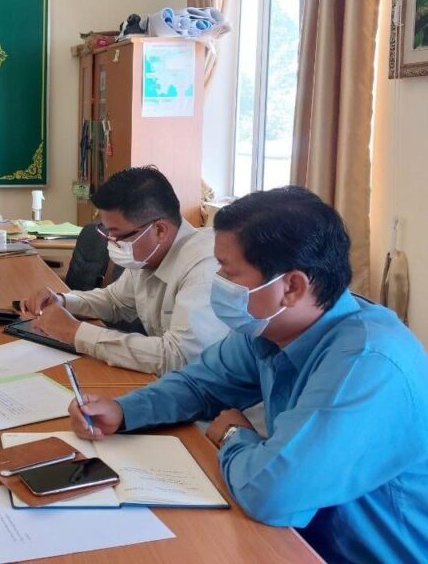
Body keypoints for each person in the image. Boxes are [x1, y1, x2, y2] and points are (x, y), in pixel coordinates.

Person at [67, 187, 428, 563]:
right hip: (295, 538)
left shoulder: (367, 365)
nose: (218, 280)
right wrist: (124, 411)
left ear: (291, 287)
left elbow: (270, 492)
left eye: (229, 271)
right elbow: (198, 384)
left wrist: (234, 437)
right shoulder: (271, 327)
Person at [20, 166, 225, 375]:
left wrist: (75, 332)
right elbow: (115, 301)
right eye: (107, 232)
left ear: (159, 230)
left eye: (118, 235)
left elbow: (178, 356)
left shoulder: (206, 266)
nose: (112, 242)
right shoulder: (149, 254)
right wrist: (63, 301)